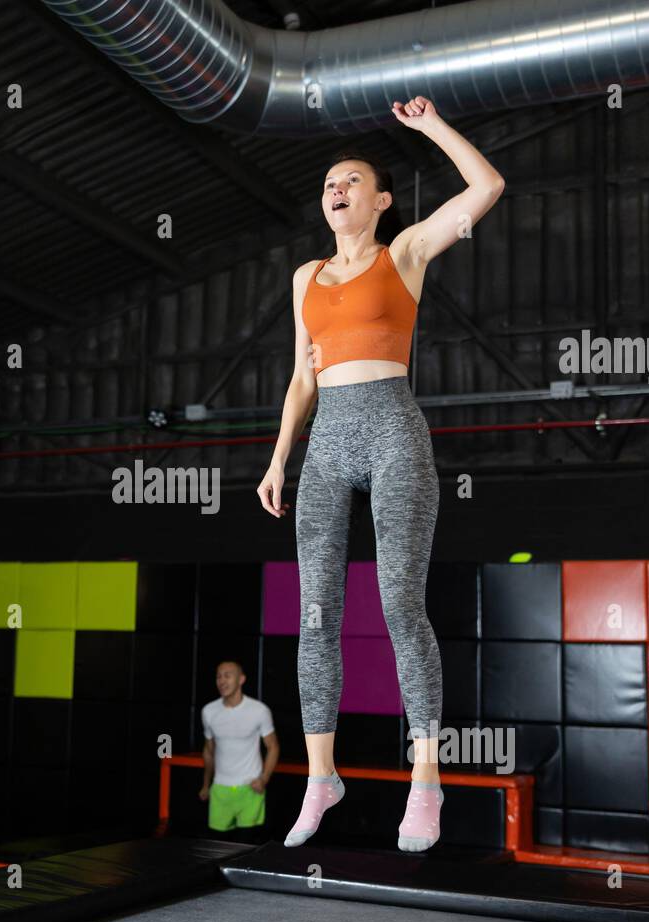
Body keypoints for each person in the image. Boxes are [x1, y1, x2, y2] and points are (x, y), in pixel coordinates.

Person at [256, 95, 505, 852]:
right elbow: (302, 376)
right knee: (317, 616)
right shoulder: (306, 277)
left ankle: (425, 781)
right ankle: (321, 778)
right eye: (329, 182)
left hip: (393, 429)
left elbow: (487, 187)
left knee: (400, 605)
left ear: (382, 200)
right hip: (328, 439)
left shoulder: (407, 254)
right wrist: (277, 459)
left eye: (352, 179)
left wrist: (429, 128)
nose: (336, 188)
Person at [198, 660, 278, 842]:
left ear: (241, 679)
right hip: (220, 789)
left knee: (247, 848)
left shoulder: (259, 711)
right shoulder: (208, 711)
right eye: (218, 676)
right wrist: (206, 784)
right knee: (216, 848)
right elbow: (209, 750)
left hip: (250, 789)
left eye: (227, 675)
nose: (222, 681)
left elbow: (273, 746)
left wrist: (264, 779)